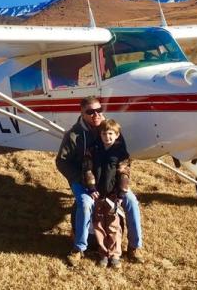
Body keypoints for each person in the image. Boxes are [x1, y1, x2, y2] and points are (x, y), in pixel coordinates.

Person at [55, 96, 144, 267]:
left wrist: (122, 186)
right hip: (84, 181)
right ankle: (79, 248)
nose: (96, 114)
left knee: (131, 201)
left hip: (111, 181)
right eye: (90, 112)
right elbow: (61, 161)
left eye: (99, 110)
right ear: (82, 113)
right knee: (85, 202)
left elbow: (123, 160)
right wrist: (78, 179)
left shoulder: (110, 128)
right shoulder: (74, 135)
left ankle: (135, 247)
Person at [84, 119, 130, 269]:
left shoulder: (121, 153)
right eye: (104, 134)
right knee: (98, 224)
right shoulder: (93, 150)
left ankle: (115, 254)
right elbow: (88, 169)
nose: (107, 137)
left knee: (113, 225)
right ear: (100, 134)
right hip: (97, 194)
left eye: (110, 134)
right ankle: (103, 253)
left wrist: (121, 194)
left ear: (117, 135)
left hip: (113, 195)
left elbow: (124, 174)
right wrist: (91, 187)